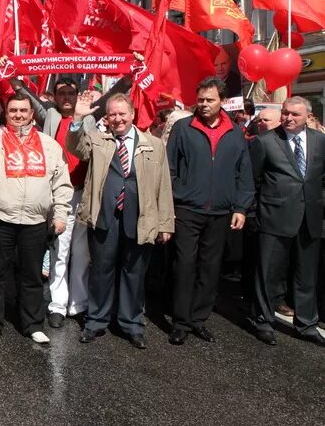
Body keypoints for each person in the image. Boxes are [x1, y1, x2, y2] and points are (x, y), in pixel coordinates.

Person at [18, 75, 131, 328]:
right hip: (59, 196)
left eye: (71, 93)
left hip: (85, 193)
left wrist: (130, 75)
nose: (66, 97)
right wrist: (13, 75)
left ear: (77, 95)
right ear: (55, 97)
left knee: (82, 253)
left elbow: (115, 93)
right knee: (59, 252)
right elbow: (27, 93)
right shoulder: (49, 116)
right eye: (61, 93)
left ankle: (77, 304)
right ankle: (57, 305)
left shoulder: (89, 116)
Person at [66, 93, 174, 349]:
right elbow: (75, 148)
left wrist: (165, 223)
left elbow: (164, 186)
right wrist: (78, 118)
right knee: (101, 272)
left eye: (122, 114)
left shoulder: (154, 144)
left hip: (140, 218)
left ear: (132, 114)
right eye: (112, 114)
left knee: (134, 273)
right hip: (105, 216)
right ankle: (95, 321)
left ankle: (131, 324)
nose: (117, 119)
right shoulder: (98, 140)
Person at [0, 80, 72, 344]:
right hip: (1, 218)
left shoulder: (48, 144)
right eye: (12, 110)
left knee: (32, 275)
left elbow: (61, 182)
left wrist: (60, 215)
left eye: (23, 111)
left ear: (31, 114)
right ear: (6, 113)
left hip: (35, 221)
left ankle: (32, 323)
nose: (18, 115)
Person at [165, 77, 254, 345]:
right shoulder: (183, 127)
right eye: (200, 99)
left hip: (220, 211)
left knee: (210, 267)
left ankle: (198, 319)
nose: (203, 105)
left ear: (222, 101)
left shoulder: (235, 132)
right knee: (185, 265)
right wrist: (171, 203)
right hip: (187, 209)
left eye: (209, 100)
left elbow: (243, 172)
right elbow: (169, 169)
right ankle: (180, 321)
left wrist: (241, 207)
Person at [248, 96, 325, 346]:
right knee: (269, 272)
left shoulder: (320, 141)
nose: (288, 118)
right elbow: (252, 180)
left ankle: (306, 324)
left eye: (295, 115)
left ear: (308, 117)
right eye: (285, 113)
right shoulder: (265, 141)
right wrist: (255, 213)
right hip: (274, 217)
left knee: (306, 274)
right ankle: (264, 320)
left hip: (310, 217)